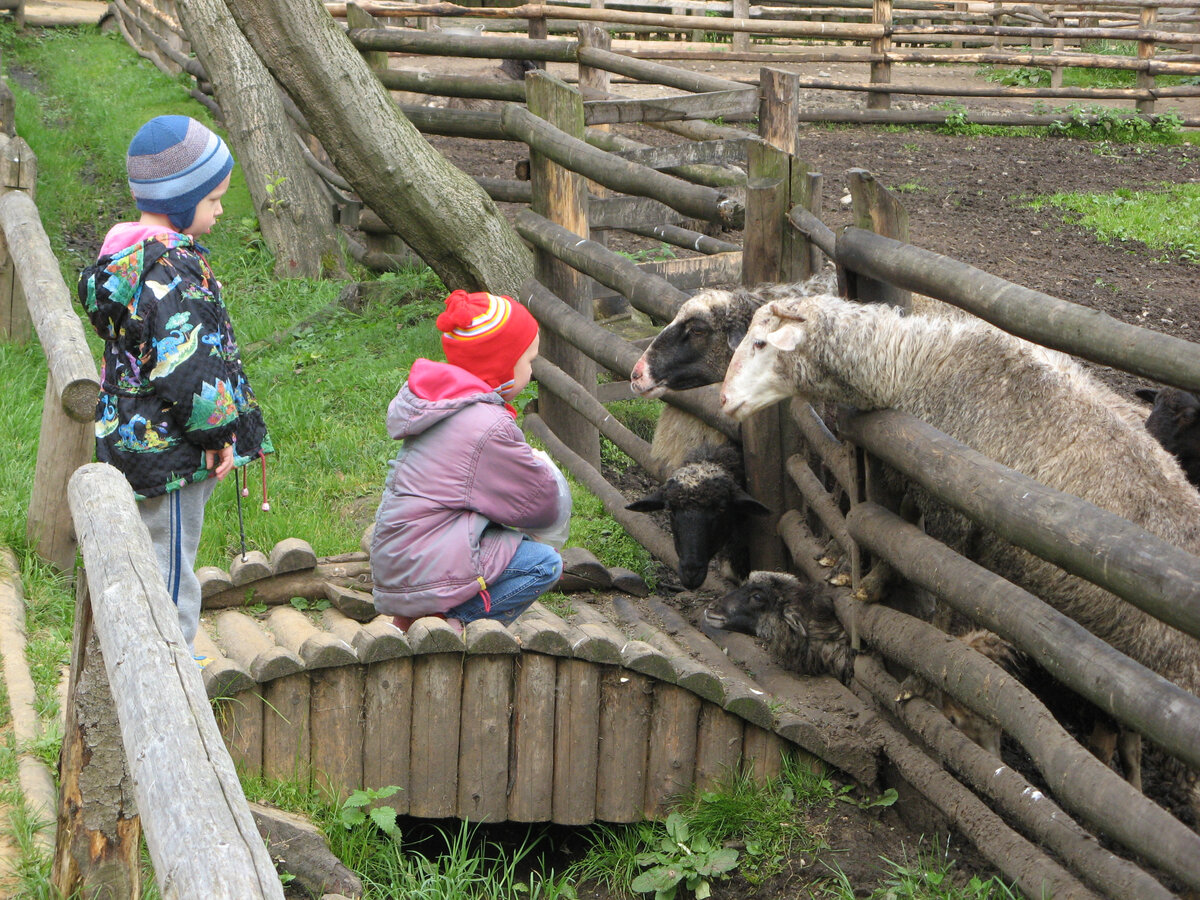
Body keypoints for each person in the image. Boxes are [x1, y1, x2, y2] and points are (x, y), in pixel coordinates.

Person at [78, 115, 272, 664]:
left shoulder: (124, 258)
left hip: (133, 434)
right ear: (182, 201)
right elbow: (190, 370)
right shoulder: (173, 271)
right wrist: (218, 436)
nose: (219, 211)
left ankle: (146, 652)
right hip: (174, 448)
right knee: (171, 558)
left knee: (149, 547)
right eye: (213, 200)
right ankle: (168, 664)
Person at [371, 289, 565, 633]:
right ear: (503, 364)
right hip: (424, 568)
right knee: (543, 563)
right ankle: (452, 626)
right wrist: (546, 472)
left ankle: (417, 616)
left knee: (497, 537)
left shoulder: (443, 404)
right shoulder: (487, 425)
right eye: (528, 361)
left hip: (402, 564)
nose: (531, 372)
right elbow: (541, 507)